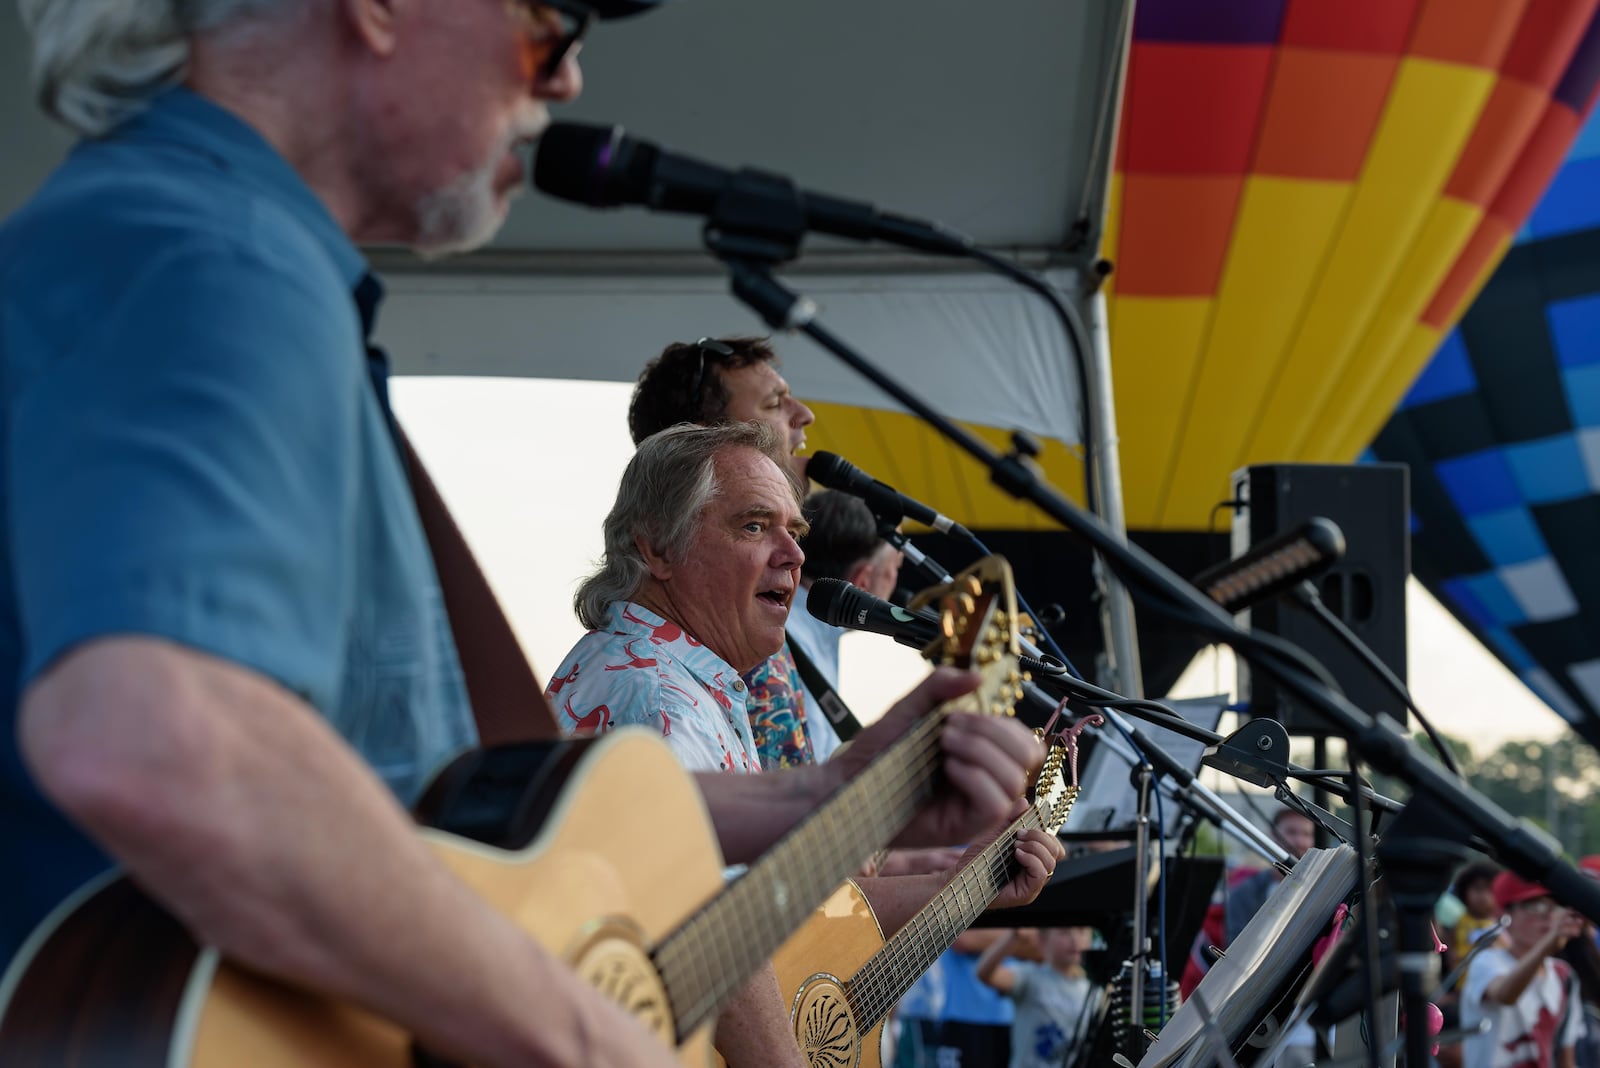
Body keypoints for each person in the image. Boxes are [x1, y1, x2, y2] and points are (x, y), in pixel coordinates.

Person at [0, 5, 1051, 1066]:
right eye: (550, 19)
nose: (569, 81)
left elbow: (456, 810)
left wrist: (824, 796)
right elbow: (152, 742)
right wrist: (576, 1033)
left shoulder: (214, 257)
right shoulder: (214, 258)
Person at [549, 421, 1065, 1063]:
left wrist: (963, 883)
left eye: (794, 532)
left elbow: (788, 918)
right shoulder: (656, 699)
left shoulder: (684, 685)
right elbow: (711, 936)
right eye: (754, 526)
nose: (793, 555)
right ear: (656, 548)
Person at [785, 490, 904, 762]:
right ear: (862, 581)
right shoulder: (793, 644)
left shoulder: (798, 631)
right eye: (894, 568)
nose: (896, 583)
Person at [1462, 871, 1586, 1068]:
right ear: (1504, 915)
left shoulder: (1564, 976)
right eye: (1534, 905)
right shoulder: (1486, 962)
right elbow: (1505, 994)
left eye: (1552, 906)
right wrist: (1549, 943)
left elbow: (1566, 1060)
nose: (1547, 915)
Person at [977, 926, 1101, 1068]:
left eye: (1081, 930)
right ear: (1042, 940)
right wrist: (1013, 937)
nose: (1074, 940)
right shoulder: (1030, 976)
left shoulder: (1095, 992)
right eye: (1064, 932)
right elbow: (985, 974)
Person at [1225, 807, 1317, 943]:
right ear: (1273, 835)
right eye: (1291, 832)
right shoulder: (1244, 893)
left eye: (1306, 834)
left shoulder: (1321, 889)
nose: (1299, 841)